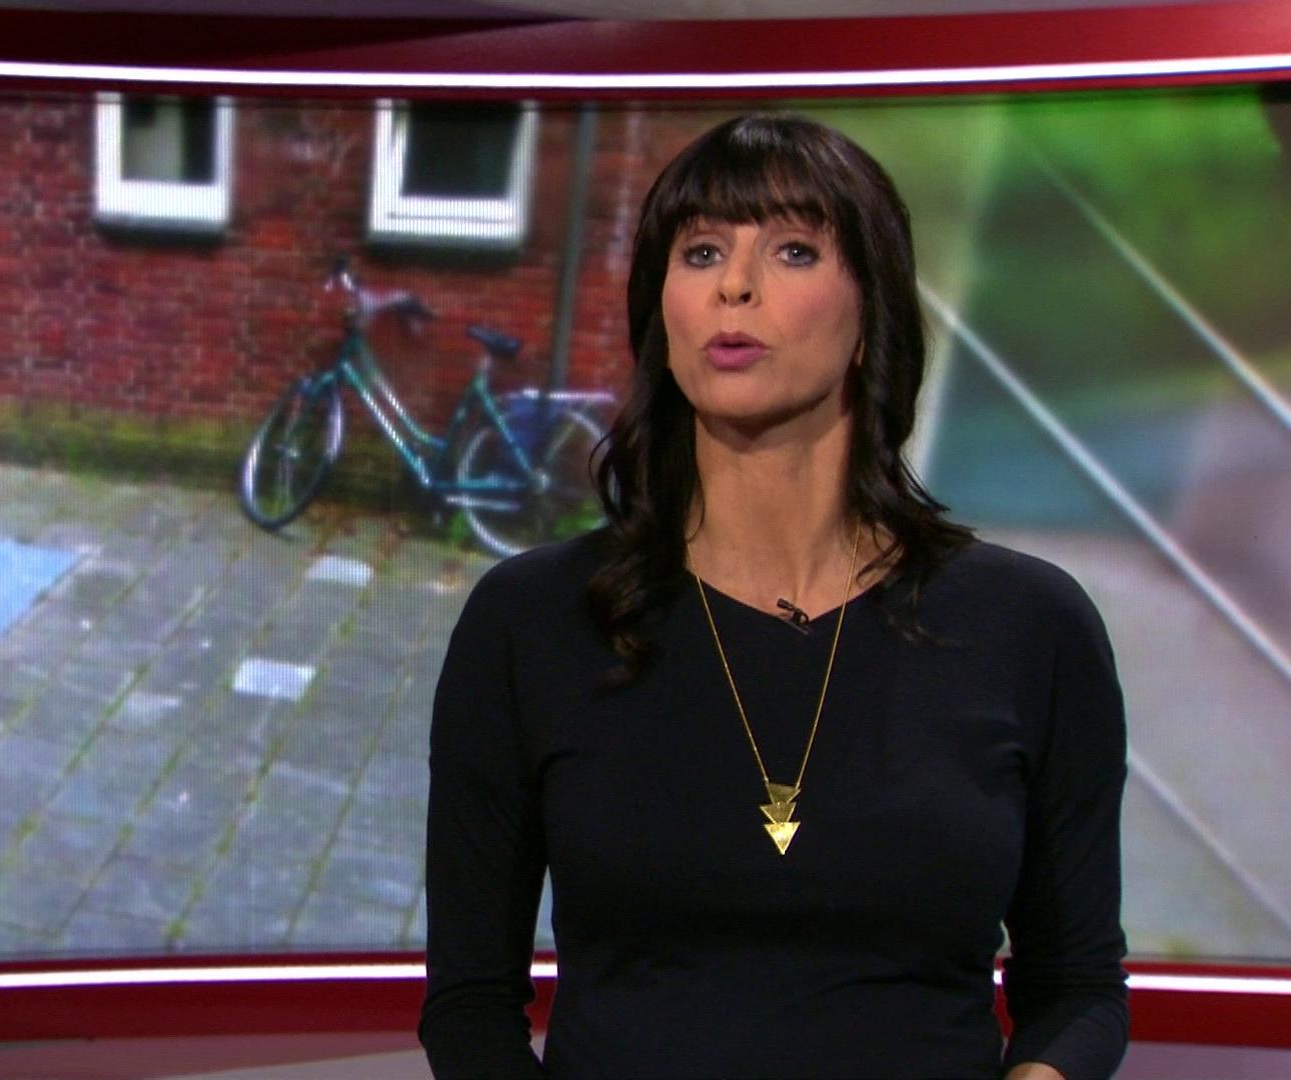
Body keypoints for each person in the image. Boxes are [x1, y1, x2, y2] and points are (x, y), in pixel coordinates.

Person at [417, 113, 1129, 1079]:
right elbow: (470, 1005)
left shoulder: (1029, 625)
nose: (734, 286)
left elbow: (1078, 988)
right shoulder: (532, 618)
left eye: (793, 250)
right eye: (702, 251)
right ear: (661, 315)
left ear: (872, 316)